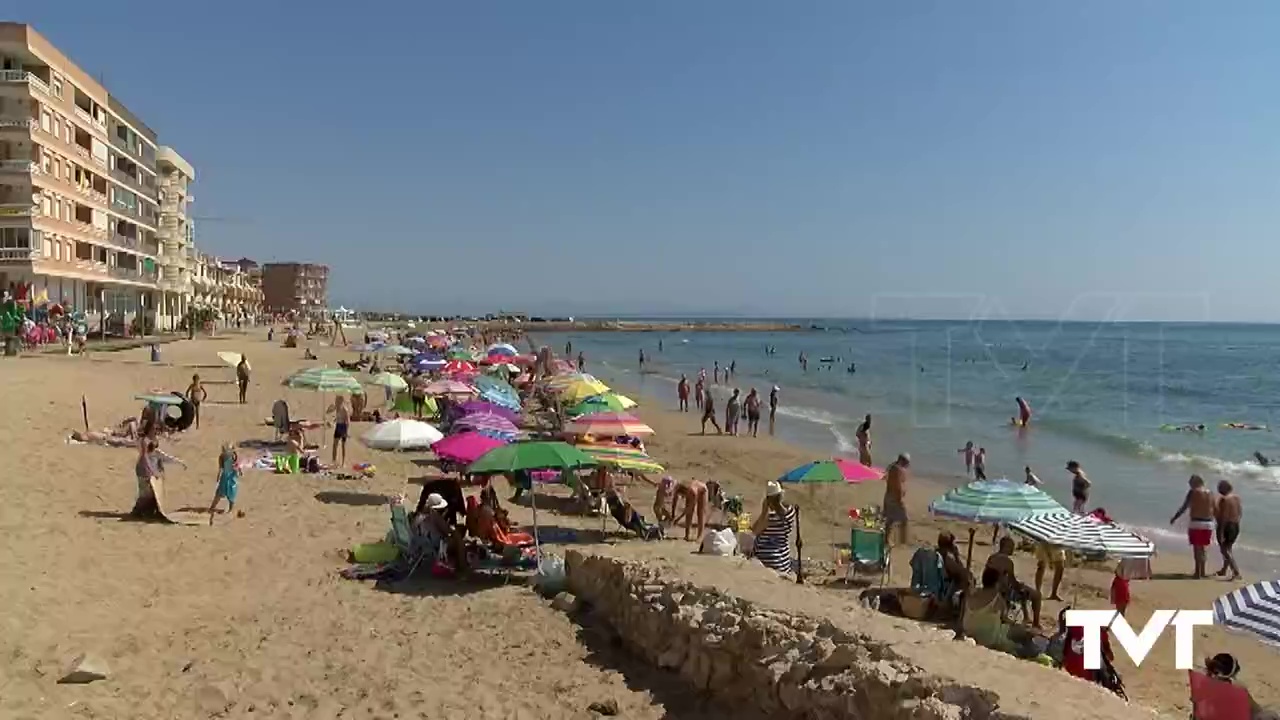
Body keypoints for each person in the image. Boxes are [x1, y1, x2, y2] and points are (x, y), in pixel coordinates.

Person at [963, 567, 1038, 656]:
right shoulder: (997, 598)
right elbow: (1006, 619)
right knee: (1025, 633)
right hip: (988, 637)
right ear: (997, 583)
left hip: (969, 630)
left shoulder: (974, 593)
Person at [986, 536, 1043, 626]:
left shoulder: (992, 558)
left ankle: (1026, 617)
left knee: (1021, 588)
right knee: (1036, 595)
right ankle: (1035, 623)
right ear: (1006, 547)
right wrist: (1020, 586)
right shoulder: (1007, 562)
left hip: (992, 589)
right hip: (1004, 592)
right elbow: (1013, 583)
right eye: (1012, 546)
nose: (1013, 549)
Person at [1171, 474, 1215, 578]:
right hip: (1208, 523)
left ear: (1195, 482)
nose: (1189, 484)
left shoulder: (1193, 492)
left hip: (1196, 523)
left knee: (1197, 548)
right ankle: (1203, 571)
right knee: (1203, 548)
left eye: (1190, 482)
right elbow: (1214, 508)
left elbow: (1184, 507)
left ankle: (1197, 573)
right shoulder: (1211, 493)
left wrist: (1175, 517)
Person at [751, 481, 799, 575]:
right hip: (782, 562)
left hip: (765, 561)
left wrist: (764, 511)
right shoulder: (790, 514)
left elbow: (755, 531)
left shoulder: (768, 518)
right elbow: (784, 509)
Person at [1215, 480, 1243, 580]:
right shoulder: (1237, 498)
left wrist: (1221, 530)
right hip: (1236, 524)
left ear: (1224, 488)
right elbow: (1240, 513)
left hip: (1227, 525)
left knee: (1224, 549)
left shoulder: (1224, 499)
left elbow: (1224, 516)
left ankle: (1236, 571)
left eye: (1220, 487)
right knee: (1229, 548)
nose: (1218, 490)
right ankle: (1224, 569)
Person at [209, 443, 240, 525]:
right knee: (219, 492)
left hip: (232, 477)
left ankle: (230, 509)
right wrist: (218, 477)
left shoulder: (234, 456)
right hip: (225, 477)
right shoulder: (222, 457)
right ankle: (212, 507)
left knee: (231, 494)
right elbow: (220, 468)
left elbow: (237, 466)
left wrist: (238, 471)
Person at [882, 454, 910, 545]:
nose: (908, 465)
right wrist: (900, 498)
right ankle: (903, 541)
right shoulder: (897, 469)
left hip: (889, 497)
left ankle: (887, 539)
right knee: (904, 519)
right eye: (907, 463)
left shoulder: (893, 467)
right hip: (895, 498)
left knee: (890, 520)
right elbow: (897, 485)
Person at [327, 396, 351, 466]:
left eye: (338, 401)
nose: (336, 402)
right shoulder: (337, 408)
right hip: (338, 426)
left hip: (343, 427)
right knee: (335, 444)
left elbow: (347, 421)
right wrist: (331, 407)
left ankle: (343, 462)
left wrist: (346, 431)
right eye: (336, 401)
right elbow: (328, 412)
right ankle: (333, 461)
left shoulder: (344, 409)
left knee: (343, 446)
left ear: (341, 401)